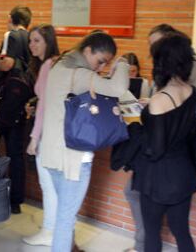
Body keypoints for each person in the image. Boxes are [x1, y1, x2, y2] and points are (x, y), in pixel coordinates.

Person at [39, 31, 128, 252]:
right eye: (100, 61)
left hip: (51, 156)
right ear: (87, 50)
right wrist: (123, 64)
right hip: (72, 161)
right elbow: (118, 88)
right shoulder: (78, 74)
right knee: (65, 219)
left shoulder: (59, 67)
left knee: (64, 213)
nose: (100, 68)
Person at [132, 33, 196, 252]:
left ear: (162, 62)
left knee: (152, 232)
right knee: (181, 231)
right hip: (184, 172)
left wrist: (135, 127)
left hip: (158, 178)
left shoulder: (161, 99)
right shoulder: (192, 92)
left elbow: (155, 149)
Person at [21, 24, 60, 246]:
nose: (31, 45)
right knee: (53, 185)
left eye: (36, 40)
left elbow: (46, 104)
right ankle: (53, 228)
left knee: (48, 185)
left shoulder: (48, 64)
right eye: (30, 40)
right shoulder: (56, 63)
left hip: (47, 134)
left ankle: (49, 231)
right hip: (55, 132)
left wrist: (34, 138)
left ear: (48, 41)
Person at [0, 6, 33, 214]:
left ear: (10, 18)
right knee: (16, 154)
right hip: (23, 105)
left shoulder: (11, 35)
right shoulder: (33, 38)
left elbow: (5, 64)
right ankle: (16, 201)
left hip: (5, 103)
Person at [148, 24, 196, 88]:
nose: (154, 48)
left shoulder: (193, 63)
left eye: (157, 43)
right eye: (151, 44)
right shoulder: (161, 62)